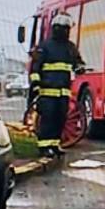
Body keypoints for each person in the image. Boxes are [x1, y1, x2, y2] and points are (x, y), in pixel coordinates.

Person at [28, 13, 85, 158]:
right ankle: (44, 146)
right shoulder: (44, 46)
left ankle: (54, 144)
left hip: (63, 92)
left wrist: (79, 67)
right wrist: (36, 86)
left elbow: (78, 62)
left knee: (60, 119)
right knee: (48, 119)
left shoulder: (70, 47)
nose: (64, 32)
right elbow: (35, 68)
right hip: (47, 92)